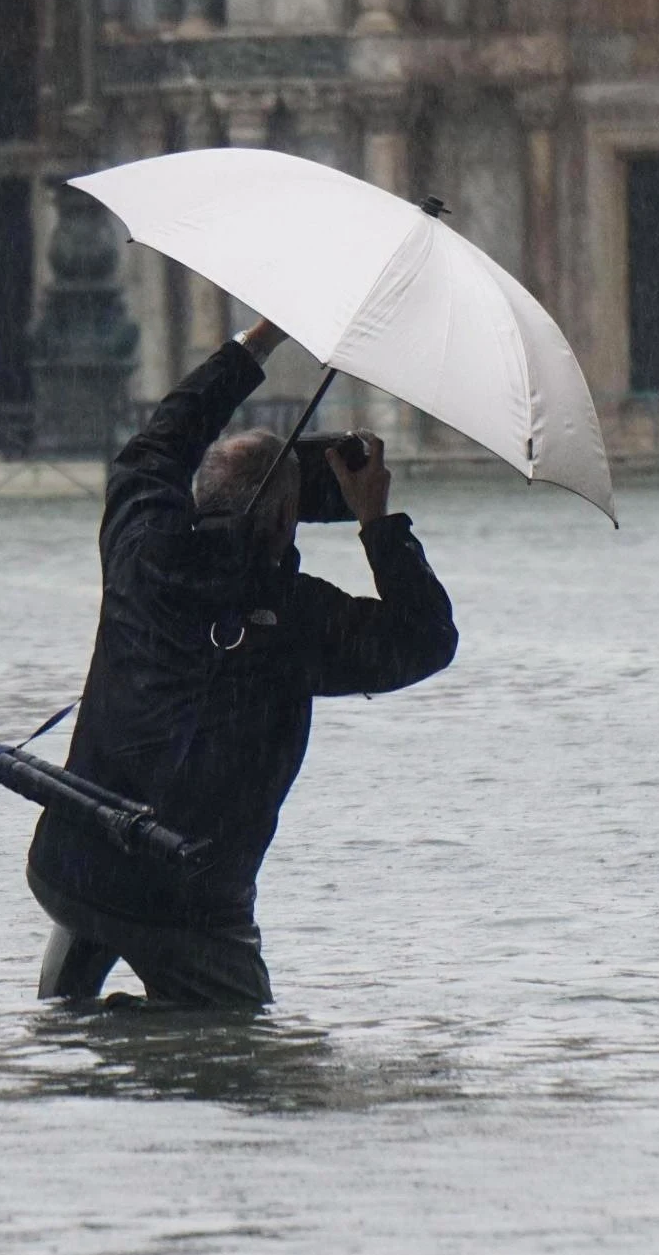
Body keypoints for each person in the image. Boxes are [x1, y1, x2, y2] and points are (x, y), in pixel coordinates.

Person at [26, 317, 458, 1009]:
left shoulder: (139, 547)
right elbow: (427, 638)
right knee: (239, 1047)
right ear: (288, 522)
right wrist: (376, 520)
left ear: (200, 492)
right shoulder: (303, 618)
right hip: (191, 902)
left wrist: (258, 341)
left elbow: (163, 438)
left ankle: (86, 1032)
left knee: (80, 973)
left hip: (72, 862)